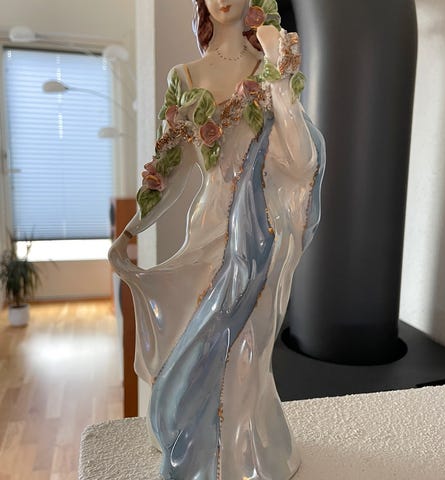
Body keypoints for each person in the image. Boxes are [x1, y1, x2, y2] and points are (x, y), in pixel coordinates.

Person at [109, 0, 326, 478]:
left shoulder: (273, 62)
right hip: (210, 227)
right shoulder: (185, 76)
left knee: (248, 346)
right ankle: (203, 449)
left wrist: (277, 71)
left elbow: (301, 158)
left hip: (264, 230)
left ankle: (247, 455)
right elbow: (170, 168)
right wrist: (134, 226)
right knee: (200, 339)